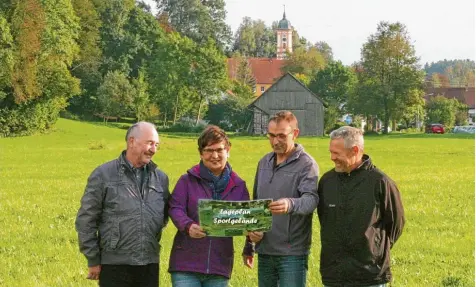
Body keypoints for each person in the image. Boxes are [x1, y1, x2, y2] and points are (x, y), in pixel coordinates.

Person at [75, 122, 169, 287]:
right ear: (132, 141)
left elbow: (166, 214)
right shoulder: (103, 174)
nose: (153, 149)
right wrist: (93, 258)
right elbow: (86, 219)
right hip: (114, 264)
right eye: (149, 143)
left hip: (149, 263)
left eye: (156, 145)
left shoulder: (161, 178)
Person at [317, 126, 405, 287]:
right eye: (331, 152)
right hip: (334, 274)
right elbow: (324, 218)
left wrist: (374, 248)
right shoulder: (327, 181)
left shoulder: (380, 182)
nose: (332, 158)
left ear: (355, 150)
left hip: (369, 275)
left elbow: (396, 223)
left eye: (336, 153)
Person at [168, 125, 253, 287]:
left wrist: (250, 245)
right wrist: (188, 226)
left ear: (228, 150)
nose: (214, 155)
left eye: (219, 150)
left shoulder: (239, 185)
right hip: (185, 266)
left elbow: (248, 218)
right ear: (201, 153)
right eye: (208, 150)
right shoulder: (186, 180)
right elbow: (175, 208)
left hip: (219, 266)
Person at [244, 111, 319, 287]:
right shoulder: (264, 163)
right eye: (271, 135)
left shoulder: (307, 164)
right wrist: (249, 244)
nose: (275, 141)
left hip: (292, 254)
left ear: (295, 133)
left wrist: (290, 204)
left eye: (281, 136)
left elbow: (311, 199)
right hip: (265, 250)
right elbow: (256, 205)